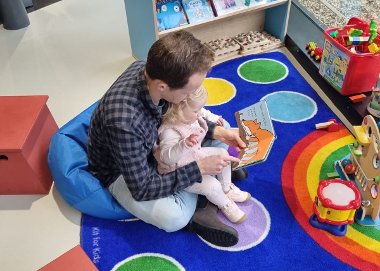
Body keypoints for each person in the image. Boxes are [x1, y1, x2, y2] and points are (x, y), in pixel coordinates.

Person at [87, 30, 247, 247]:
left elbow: (177, 119)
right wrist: (198, 168)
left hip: (163, 143)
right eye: (187, 92)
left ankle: (212, 179)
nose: (191, 96)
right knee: (174, 217)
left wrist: (217, 133)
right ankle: (201, 206)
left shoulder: (151, 71)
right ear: (163, 86)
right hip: (124, 172)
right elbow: (142, 188)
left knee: (223, 127)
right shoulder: (124, 123)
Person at [154, 86, 251, 224]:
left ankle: (226, 188)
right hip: (178, 170)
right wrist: (184, 144)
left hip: (193, 155)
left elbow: (204, 114)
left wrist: (214, 119)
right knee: (211, 185)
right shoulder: (169, 131)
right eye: (196, 111)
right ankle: (225, 204)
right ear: (179, 109)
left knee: (223, 154)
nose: (199, 113)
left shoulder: (189, 116)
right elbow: (167, 159)